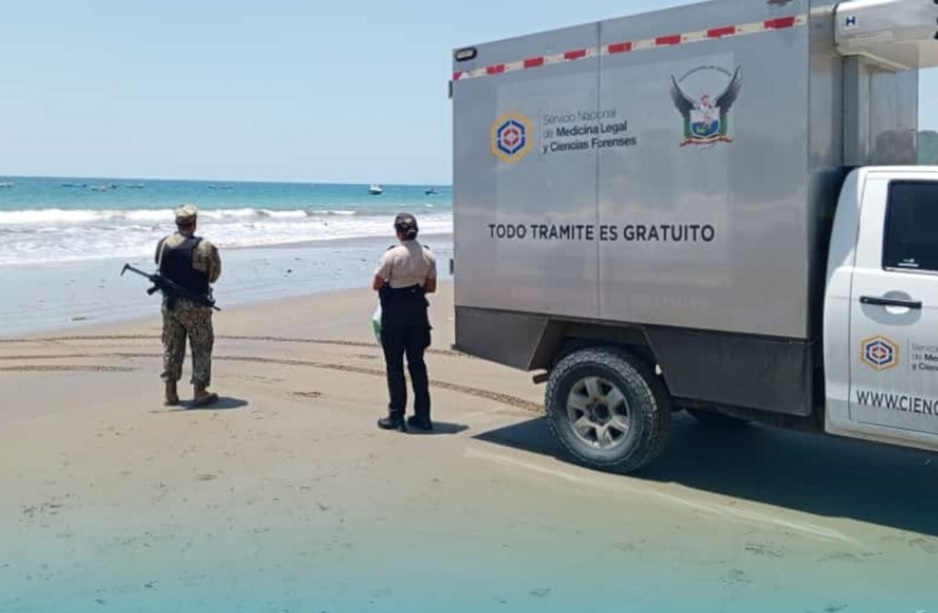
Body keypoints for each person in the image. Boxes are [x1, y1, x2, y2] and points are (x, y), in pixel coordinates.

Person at [372, 212, 437, 432]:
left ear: (398, 232)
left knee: (394, 366)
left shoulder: (392, 255)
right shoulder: (429, 255)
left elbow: (377, 283)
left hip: (395, 315)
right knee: (417, 365)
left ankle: (396, 416)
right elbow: (431, 288)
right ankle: (423, 416)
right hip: (418, 313)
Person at [155, 204, 222, 407]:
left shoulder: (163, 244)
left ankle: (170, 391)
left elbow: (159, 267)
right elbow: (214, 275)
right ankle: (200, 391)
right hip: (196, 306)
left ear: (177, 223)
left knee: (172, 345)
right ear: (194, 224)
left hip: (170, 304)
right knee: (201, 345)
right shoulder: (205, 247)